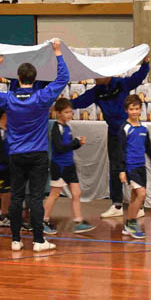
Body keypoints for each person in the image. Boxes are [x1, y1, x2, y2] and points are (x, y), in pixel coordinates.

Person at [0, 39, 70, 252]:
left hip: (16, 154)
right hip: (38, 154)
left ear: (19, 79)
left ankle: (15, 240)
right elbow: (63, 78)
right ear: (35, 79)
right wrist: (58, 52)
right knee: (36, 198)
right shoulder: (42, 97)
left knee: (16, 196)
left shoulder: (9, 99)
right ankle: (39, 241)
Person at [71, 56, 150, 218]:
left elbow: (138, 77)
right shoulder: (96, 91)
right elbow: (79, 102)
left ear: (106, 74)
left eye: (97, 75)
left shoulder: (121, 84)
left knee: (133, 166)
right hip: (113, 133)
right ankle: (117, 205)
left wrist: (145, 63)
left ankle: (139, 206)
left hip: (129, 133)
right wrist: (59, 105)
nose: (94, 78)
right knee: (115, 168)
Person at [43, 98, 94, 235]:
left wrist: (78, 143)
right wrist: (75, 142)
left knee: (77, 193)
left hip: (69, 165)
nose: (70, 114)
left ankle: (78, 222)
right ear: (58, 113)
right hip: (59, 166)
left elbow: (68, 147)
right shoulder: (56, 128)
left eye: (71, 112)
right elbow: (59, 148)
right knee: (54, 194)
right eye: (66, 112)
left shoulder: (67, 127)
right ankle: (43, 220)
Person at [118, 95, 151, 239]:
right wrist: (122, 170)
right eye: (131, 109)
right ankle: (131, 223)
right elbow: (120, 150)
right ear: (126, 110)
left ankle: (127, 226)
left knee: (135, 197)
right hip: (131, 168)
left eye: (137, 108)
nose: (134, 111)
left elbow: (148, 148)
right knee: (142, 194)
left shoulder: (144, 128)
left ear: (141, 109)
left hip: (141, 167)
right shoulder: (124, 128)